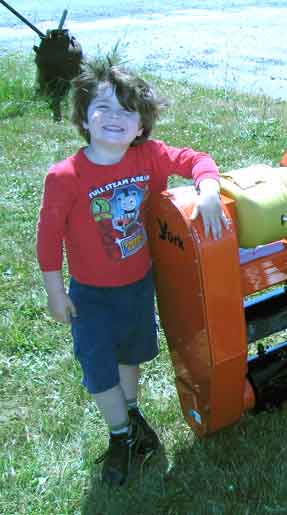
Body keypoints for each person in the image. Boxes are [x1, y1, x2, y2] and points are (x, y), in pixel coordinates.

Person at [35, 57, 227, 486]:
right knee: (99, 367)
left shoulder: (150, 157)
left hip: (139, 286)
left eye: (127, 110)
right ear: (83, 116)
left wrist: (209, 187)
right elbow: (48, 239)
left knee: (131, 355)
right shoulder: (65, 176)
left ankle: (133, 413)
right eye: (102, 107)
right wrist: (54, 291)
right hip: (90, 295)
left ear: (142, 124)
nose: (115, 118)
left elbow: (196, 158)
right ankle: (119, 435)